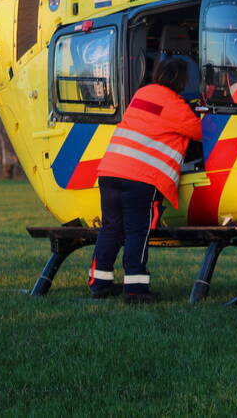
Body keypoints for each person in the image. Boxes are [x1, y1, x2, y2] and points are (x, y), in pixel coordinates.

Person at [89, 57, 203, 303]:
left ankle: (99, 284)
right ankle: (136, 289)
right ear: (183, 81)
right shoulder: (176, 105)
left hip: (110, 172)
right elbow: (199, 131)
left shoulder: (142, 95)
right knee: (136, 232)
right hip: (141, 179)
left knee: (111, 229)